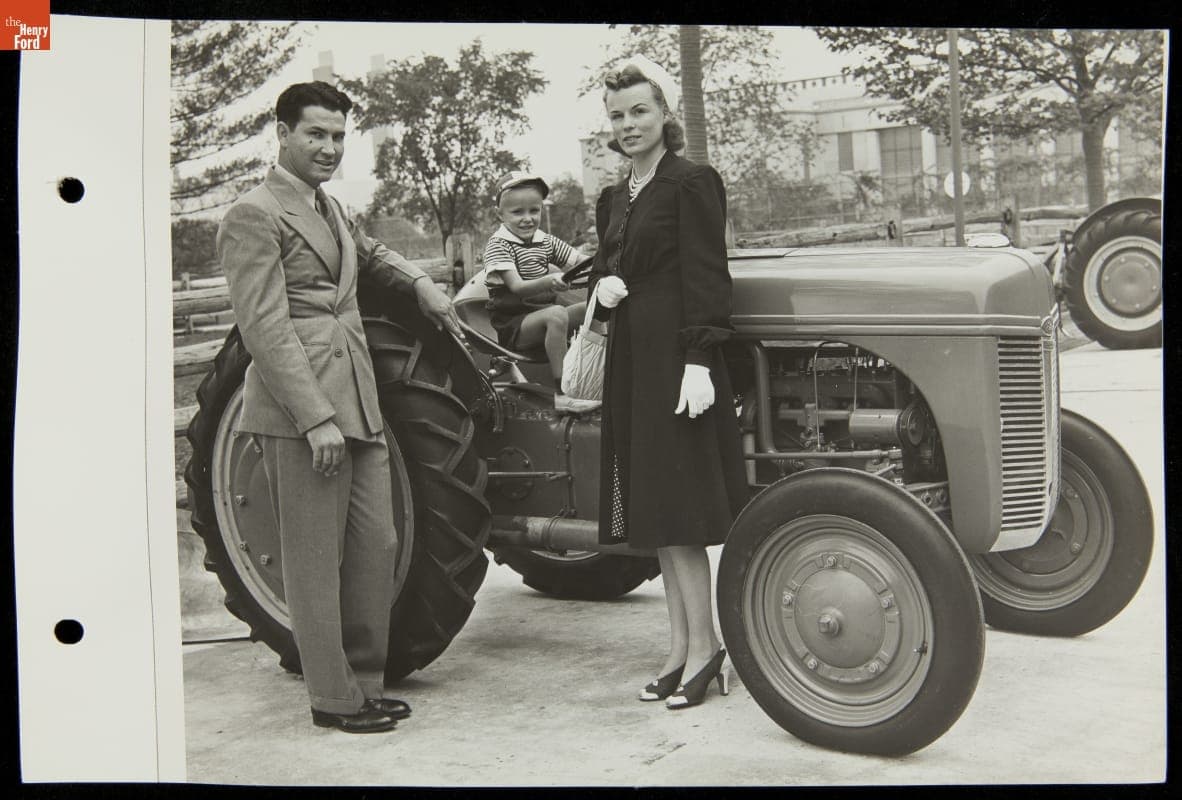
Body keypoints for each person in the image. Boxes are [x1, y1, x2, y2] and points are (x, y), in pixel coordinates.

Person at [216, 81, 462, 734]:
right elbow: (264, 328)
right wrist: (315, 418)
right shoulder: (254, 213)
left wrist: (422, 286)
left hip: (358, 398)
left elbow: (373, 255)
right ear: (283, 134)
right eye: (315, 134)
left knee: (375, 544)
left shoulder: (329, 207)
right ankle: (332, 698)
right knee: (314, 556)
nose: (328, 147)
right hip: (303, 412)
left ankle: (365, 682)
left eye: (337, 136)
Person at [589, 56, 749, 709]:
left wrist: (698, 360)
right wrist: (601, 282)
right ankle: (681, 647)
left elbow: (708, 277)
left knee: (682, 514)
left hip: (676, 364)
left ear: (664, 116)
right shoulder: (612, 196)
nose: (629, 124)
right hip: (632, 361)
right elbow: (610, 261)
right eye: (618, 115)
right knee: (658, 516)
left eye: (639, 111)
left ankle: (707, 650)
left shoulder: (690, 182)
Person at [483, 171, 599, 413]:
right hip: (515, 324)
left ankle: (596, 376)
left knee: (596, 308)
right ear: (499, 215)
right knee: (557, 313)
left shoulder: (544, 240)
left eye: (534, 211)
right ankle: (563, 393)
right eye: (517, 212)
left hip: (545, 314)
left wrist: (605, 267)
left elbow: (578, 261)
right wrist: (549, 280)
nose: (527, 219)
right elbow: (517, 287)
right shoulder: (498, 245)